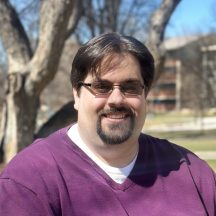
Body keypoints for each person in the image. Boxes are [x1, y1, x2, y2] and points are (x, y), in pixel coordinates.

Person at [0, 32, 215, 216]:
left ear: (145, 94)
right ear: (76, 95)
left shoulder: (192, 173)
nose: (116, 99)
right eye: (101, 87)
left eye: (130, 87)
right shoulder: (29, 181)